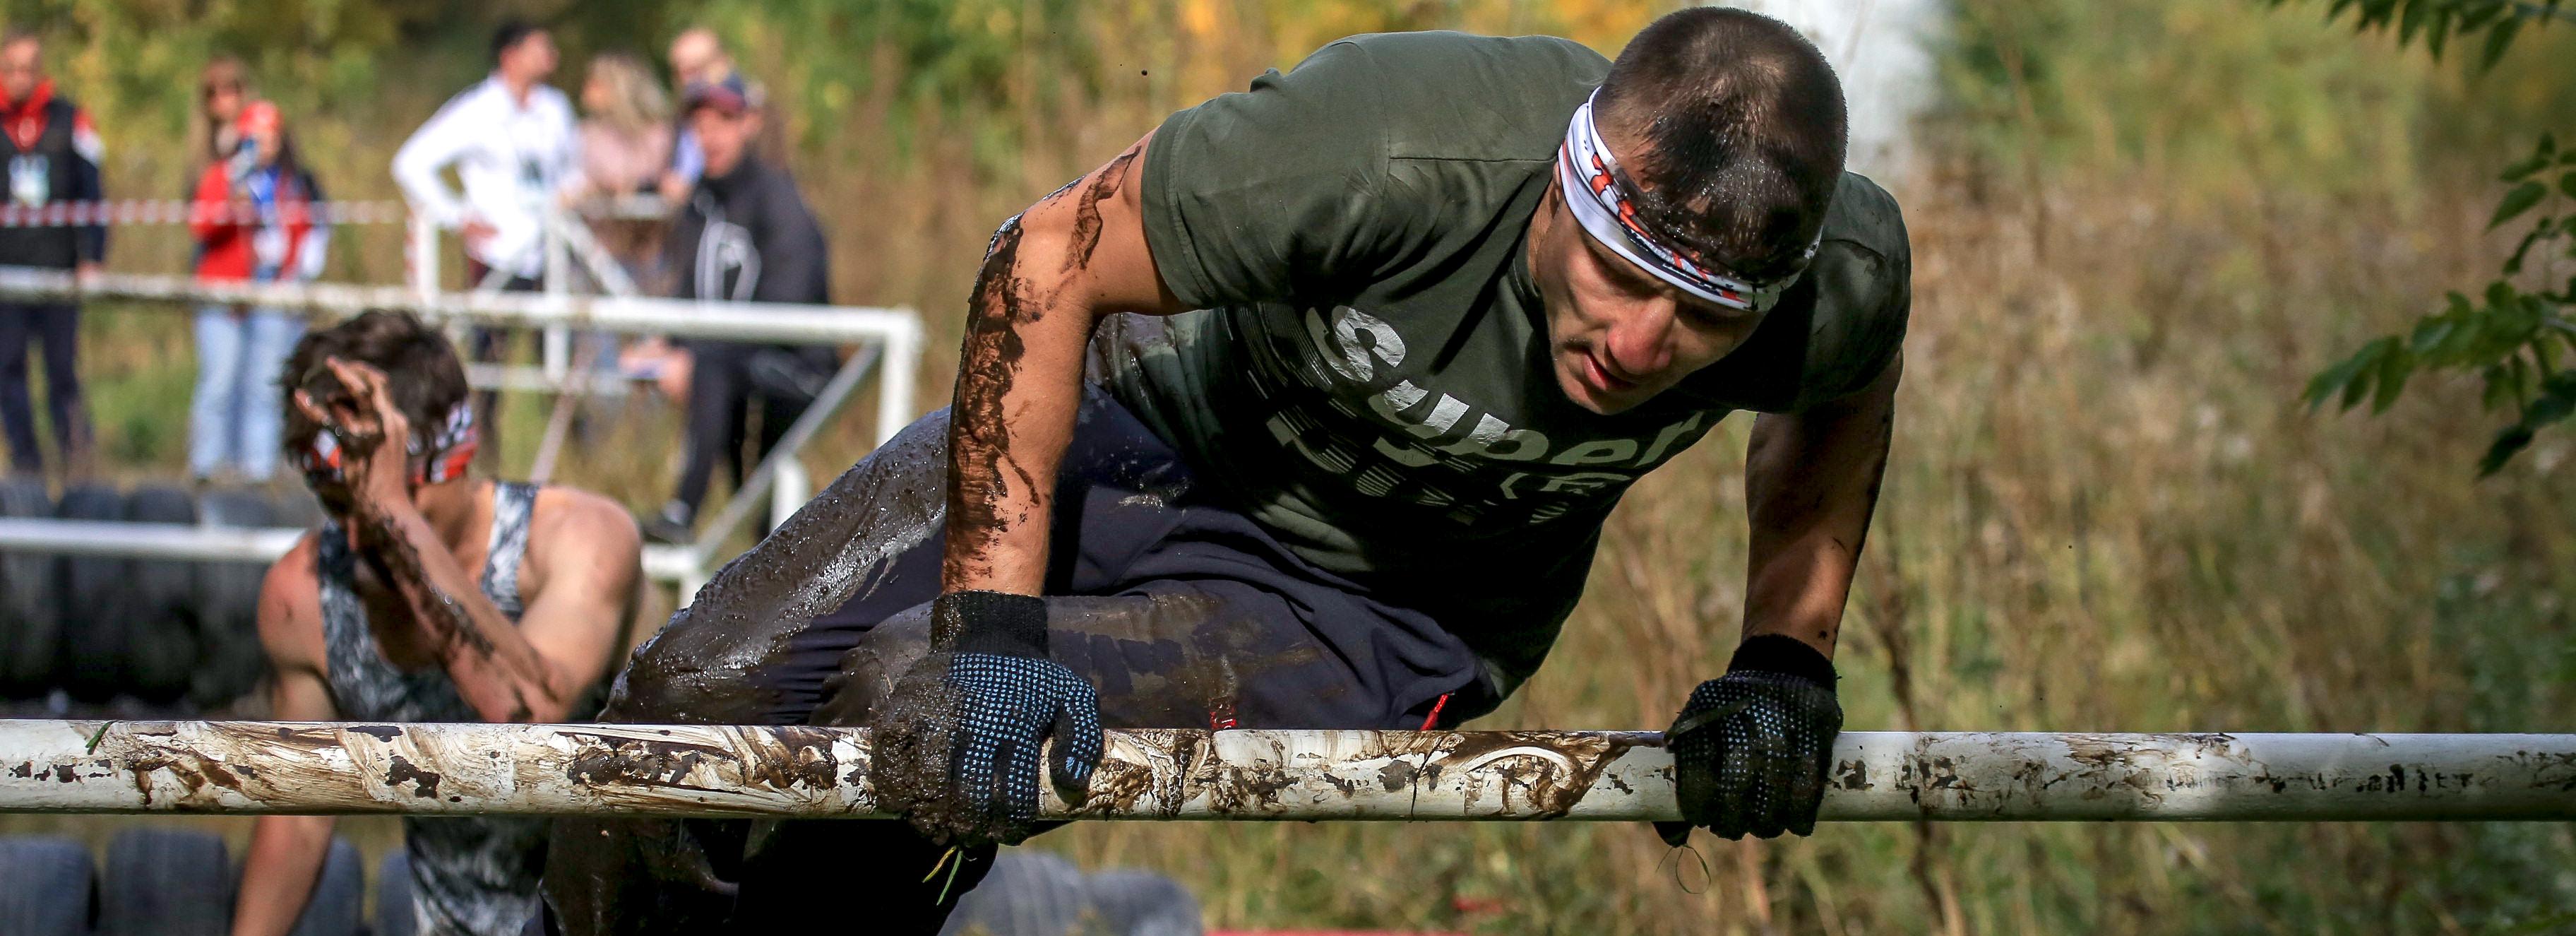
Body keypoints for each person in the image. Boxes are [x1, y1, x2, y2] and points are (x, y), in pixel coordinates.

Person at [546, 10, 1904, 934]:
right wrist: (996, 631)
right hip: (1150, 433)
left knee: (908, 701)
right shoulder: (1389, 149)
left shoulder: (1835, 287)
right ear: (1562, 185)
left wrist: (1783, 659)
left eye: (1705, 319)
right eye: (1616, 273)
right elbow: (1045, 256)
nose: (1639, 344)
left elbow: (1836, 407)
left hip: (1377, 616)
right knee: (683, 696)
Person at [230, 311, 642, 936]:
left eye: (385, 501)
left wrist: (396, 516)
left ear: (456, 457)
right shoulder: (308, 595)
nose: (361, 532)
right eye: (340, 505)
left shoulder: (577, 539)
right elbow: (300, 815)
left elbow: (528, 707)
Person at [634, 73, 835, 545]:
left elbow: (789, 301)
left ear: (749, 124)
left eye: (723, 120)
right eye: (699, 125)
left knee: (771, 520)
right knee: (763, 527)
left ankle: (681, 514)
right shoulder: (700, 202)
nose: (710, 136)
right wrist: (663, 344)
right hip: (730, 367)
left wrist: (695, 353)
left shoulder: (778, 198)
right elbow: (690, 288)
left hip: (793, 369)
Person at [188, 100, 328, 483]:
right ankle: (207, 466)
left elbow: (308, 234)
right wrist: (231, 200)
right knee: (220, 379)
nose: (264, 146)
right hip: (226, 287)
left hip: (273, 286)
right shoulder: (223, 176)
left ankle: (257, 468)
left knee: (263, 382)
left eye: (271, 138)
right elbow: (202, 228)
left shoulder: (292, 184)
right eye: (256, 138)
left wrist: (295, 275)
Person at [393, 20, 579, 292]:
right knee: (487, 332)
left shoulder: (556, 108)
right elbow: (410, 164)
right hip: (496, 251)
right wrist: (456, 216)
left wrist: (571, 194)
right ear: (510, 56)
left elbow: (574, 168)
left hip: (553, 248)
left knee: (557, 331)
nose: (551, 56)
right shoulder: (476, 110)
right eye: (540, 48)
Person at [0, 28, 102, 478]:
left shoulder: (71, 119)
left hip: (59, 270)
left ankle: (78, 462)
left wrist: (92, 254)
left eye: (28, 68)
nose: (21, 78)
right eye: (12, 69)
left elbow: (92, 190)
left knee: (63, 372)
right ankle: (27, 469)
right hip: (7, 272)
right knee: (8, 370)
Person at [655, 27, 727, 205]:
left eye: (694, 70)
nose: (686, 81)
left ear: (722, 64)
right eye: (679, 72)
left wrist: (693, 190)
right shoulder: (678, 121)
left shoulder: (749, 117)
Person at [191, 56, 249, 171]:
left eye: (227, 91)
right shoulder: (203, 144)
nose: (221, 100)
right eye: (212, 93)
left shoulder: (264, 133)